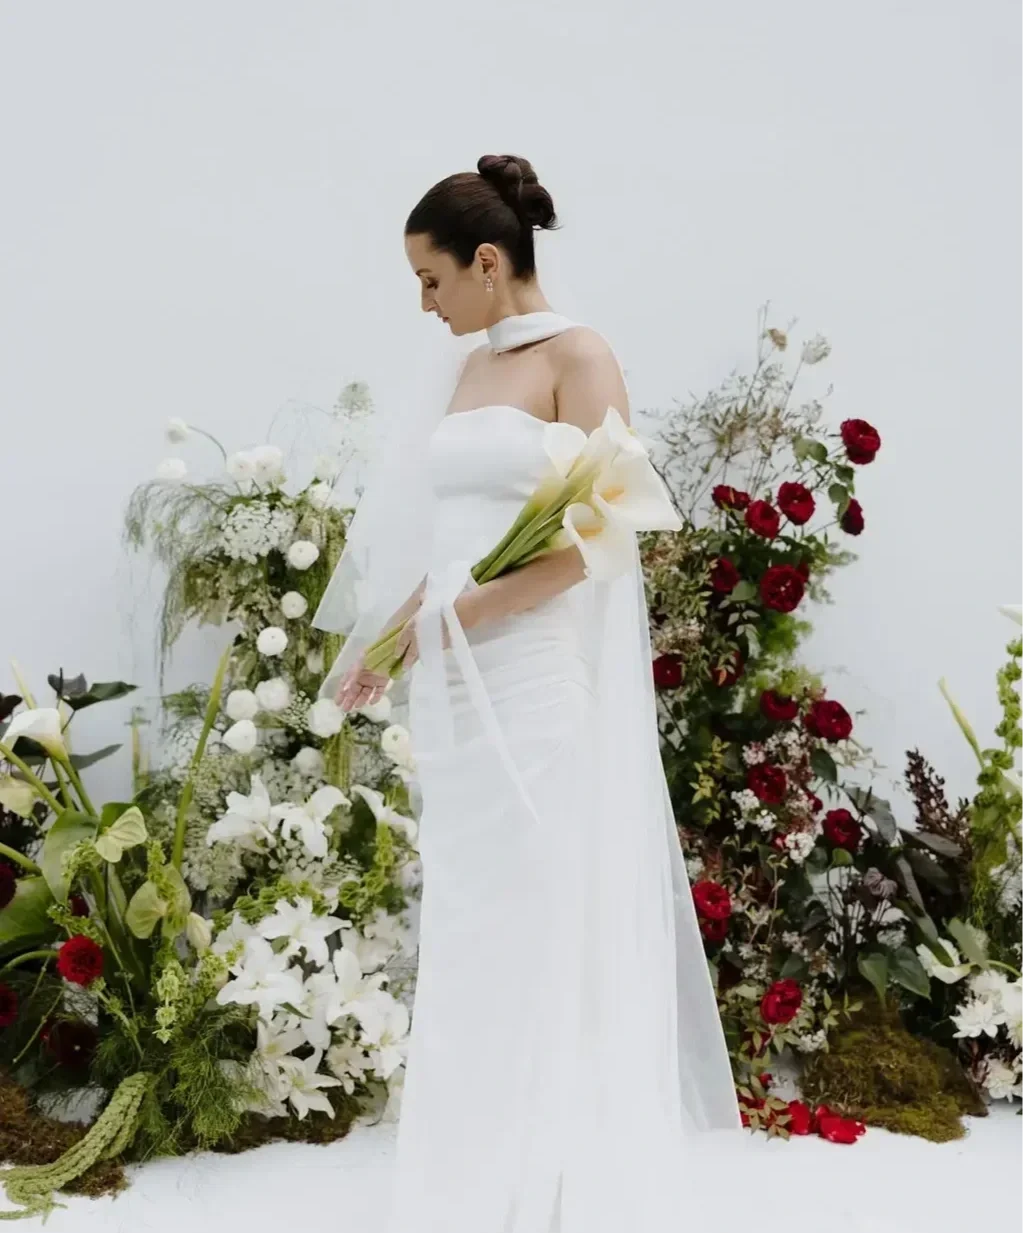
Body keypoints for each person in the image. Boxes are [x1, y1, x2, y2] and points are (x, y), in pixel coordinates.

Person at [313, 154, 740, 1233]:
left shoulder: (580, 357)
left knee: (542, 919)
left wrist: (464, 620)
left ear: (488, 263)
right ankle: (471, 1180)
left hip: (534, 680)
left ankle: (553, 1184)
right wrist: (396, 640)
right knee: (469, 920)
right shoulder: (466, 375)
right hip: (455, 685)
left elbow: (606, 542)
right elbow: (461, 545)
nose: (425, 303)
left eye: (431, 280)